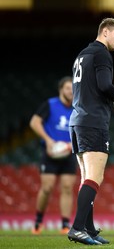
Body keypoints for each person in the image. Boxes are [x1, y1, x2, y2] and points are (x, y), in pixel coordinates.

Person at [67, 18, 114, 245]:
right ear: (105, 32)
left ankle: (89, 229)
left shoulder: (82, 55)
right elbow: (105, 85)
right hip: (93, 122)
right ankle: (77, 228)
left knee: (87, 177)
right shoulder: (102, 54)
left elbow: (94, 85)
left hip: (77, 121)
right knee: (95, 177)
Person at [30, 76, 76, 235]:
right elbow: (34, 122)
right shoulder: (50, 104)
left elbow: (82, 130)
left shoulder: (78, 108)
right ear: (61, 90)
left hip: (69, 153)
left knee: (67, 188)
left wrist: (72, 144)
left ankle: (65, 224)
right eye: (68, 88)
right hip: (50, 152)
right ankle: (38, 221)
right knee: (47, 187)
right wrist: (49, 141)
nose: (71, 91)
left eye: (73, 88)